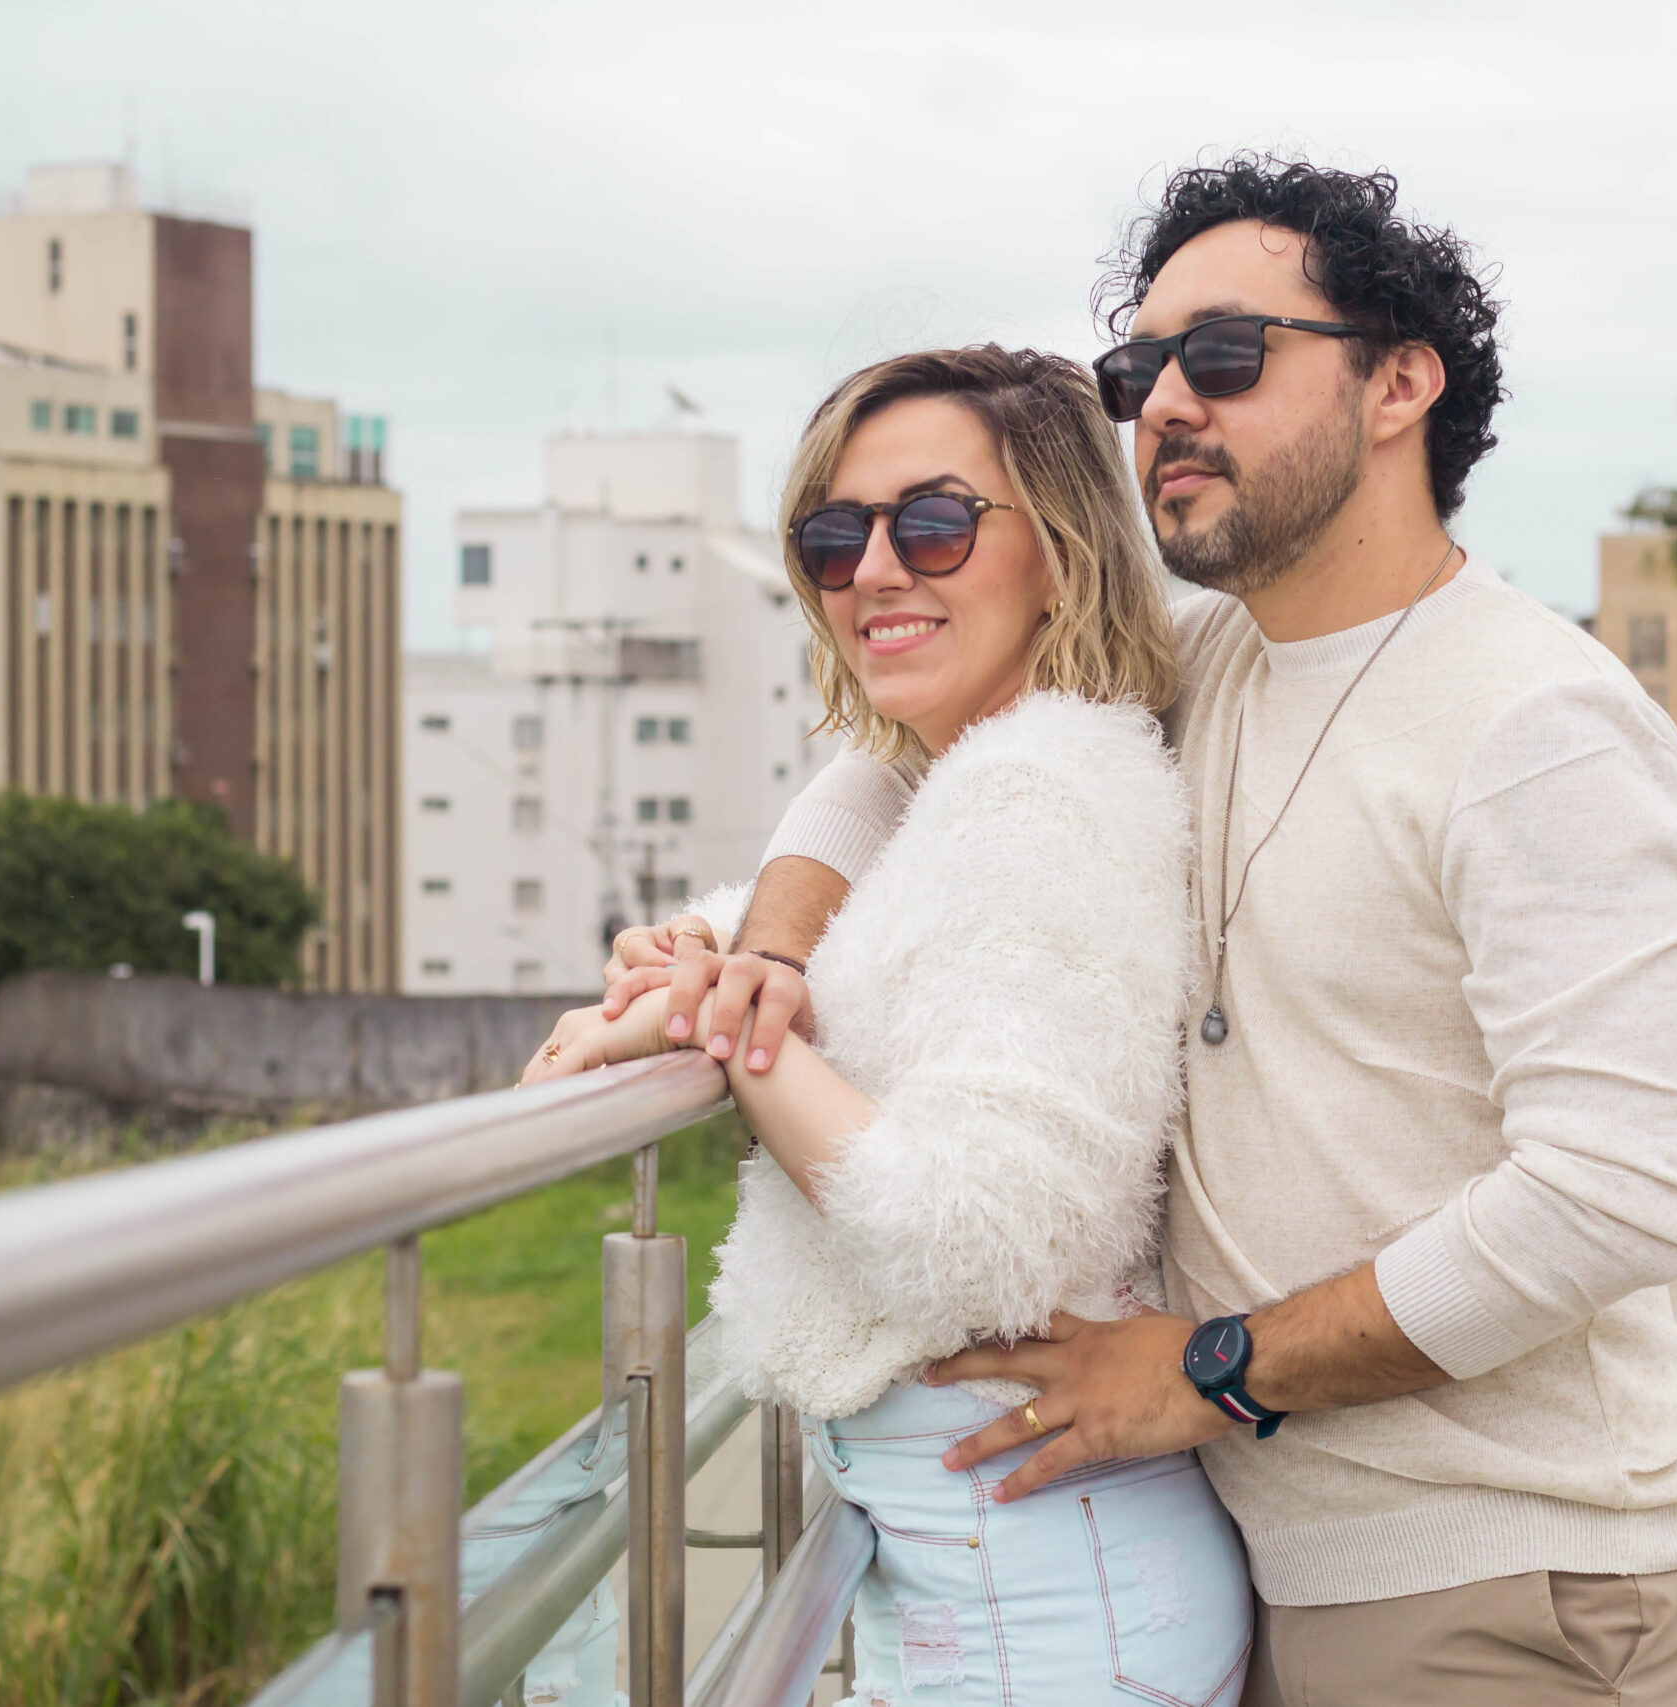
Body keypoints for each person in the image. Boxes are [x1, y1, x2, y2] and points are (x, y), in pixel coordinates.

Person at [614, 158, 1677, 1705]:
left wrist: (1213, 1370)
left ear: (1399, 380)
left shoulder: (1536, 721)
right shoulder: (1206, 656)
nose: (1164, 403)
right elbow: (887, 753)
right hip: (1276, 1548)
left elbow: (1611, 1195)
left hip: (1525, 1576)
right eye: (1140, 368)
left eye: (1225, 355)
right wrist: (771, 950)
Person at [524, 345, 1254, 1707]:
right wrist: (711, 948)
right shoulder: (980, 781)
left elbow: (978, 1239)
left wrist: (738, 1030)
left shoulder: (1037, 798)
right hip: (1036, 1572)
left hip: (1045, 1607)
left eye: (932, 520)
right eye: (830, 533)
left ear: (1061, 549)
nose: (872, 569)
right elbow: (903, 940)